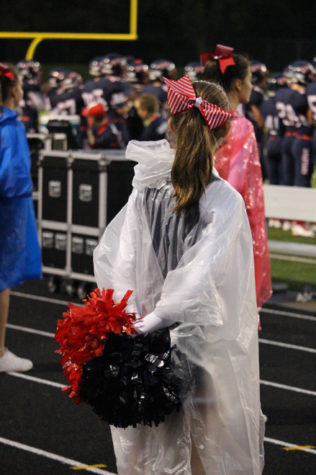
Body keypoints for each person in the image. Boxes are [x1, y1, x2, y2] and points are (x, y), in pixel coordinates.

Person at [94, 75, 265, 474]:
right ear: (223, 133)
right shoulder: (222, 198)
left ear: (171, 124)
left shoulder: (146, 187)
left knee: (145, 445)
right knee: (202, 449)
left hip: (143, 338)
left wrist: (135, 320)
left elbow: (122, 258)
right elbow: (200, 276)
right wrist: (153, 321)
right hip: (199, 345)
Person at [202, 44, 272, 310]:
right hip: (233, 223)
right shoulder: (241, 126)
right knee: (234, 310)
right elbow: (237, 183)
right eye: (250, 79)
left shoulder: (201, 119)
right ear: (237, 85)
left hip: (198, 215)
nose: (252, 85)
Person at [0, 63, 42, 372]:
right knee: (1, 280)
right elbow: (12, 180)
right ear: (14, 90)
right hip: (6, 211)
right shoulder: (10, 125)